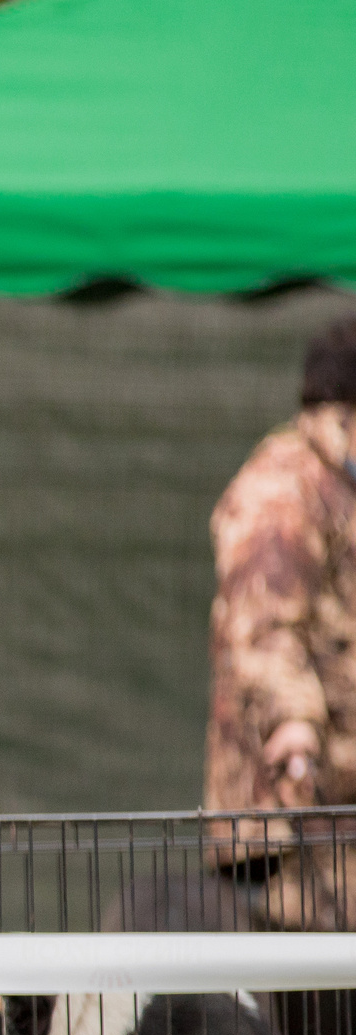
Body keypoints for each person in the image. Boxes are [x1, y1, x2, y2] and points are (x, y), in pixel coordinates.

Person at [208, 314, 356, 928]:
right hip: (289, 825)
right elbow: (263, 625)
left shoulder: (335, 487)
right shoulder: (283, 493)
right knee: (308, 998)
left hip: (334, 816)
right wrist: (294, 726)